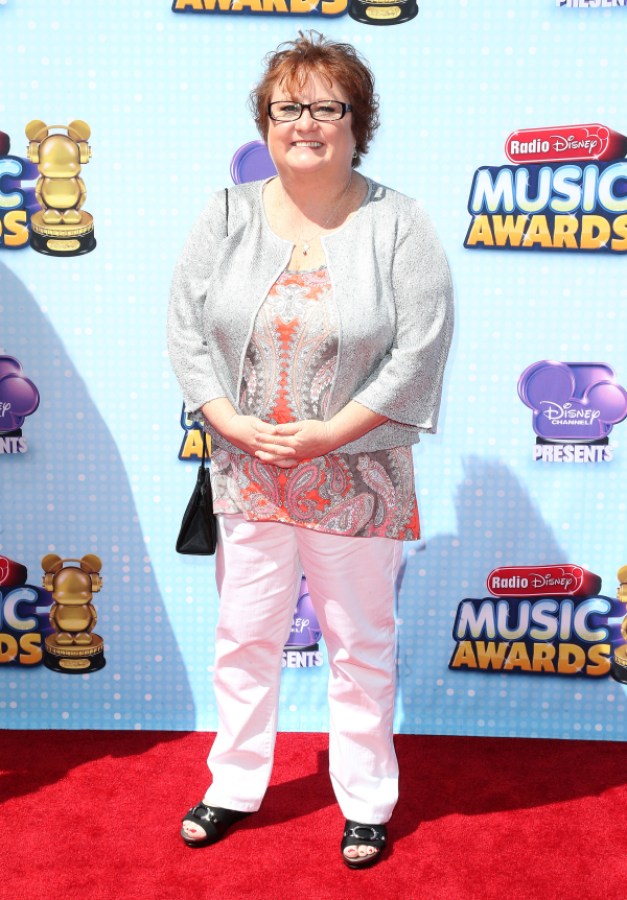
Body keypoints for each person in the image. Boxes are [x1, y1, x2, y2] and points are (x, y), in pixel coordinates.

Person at [167, 31, 453, 869]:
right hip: (248, 472)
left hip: (358, 477)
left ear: (357, 123)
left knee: (360, 644)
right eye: (287, 107)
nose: (305, 123)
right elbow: (186, 333)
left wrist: (332, 432)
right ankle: (232, 786)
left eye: (326, 107)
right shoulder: (224, 214)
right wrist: (223, 414)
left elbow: (419, 347)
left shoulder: (397, 222)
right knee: (243, 637)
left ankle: (366, 802)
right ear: (265, 122)